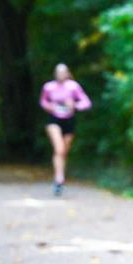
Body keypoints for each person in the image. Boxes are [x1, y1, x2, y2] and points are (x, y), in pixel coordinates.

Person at [40, 63, 92, 195]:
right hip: (54, 120)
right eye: (58, 72)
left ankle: (59, 176)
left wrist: (75, 105)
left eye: (63, 72)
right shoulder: (48, 87)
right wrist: (49, 106)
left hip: (69, 120)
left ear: (68, 73)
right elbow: (43, 101)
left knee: (63, 152)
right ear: (55, 73)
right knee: (59, 148)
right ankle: (59, 178)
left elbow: (86, 102)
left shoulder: (73, 86)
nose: (60, 74)